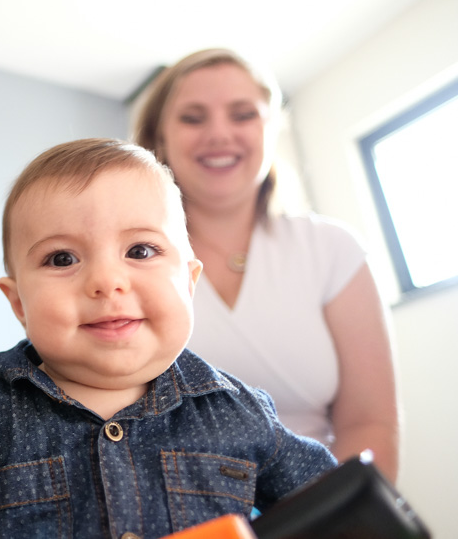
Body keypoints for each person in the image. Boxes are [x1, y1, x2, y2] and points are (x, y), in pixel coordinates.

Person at [0, 138, 336, 538]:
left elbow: (334, 506)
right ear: (19, 304)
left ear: (189, 283)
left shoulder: (240, 412)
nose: (106, 281)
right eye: (61, 259)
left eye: (140, 250)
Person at [131, 47, 400, 482]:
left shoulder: (332, 249)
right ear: (159, 138)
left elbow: (369, 422)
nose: (219, 134)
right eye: (193, 118)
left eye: (242, 115)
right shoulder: (126, 263)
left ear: (271, 129)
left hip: (322, 508)